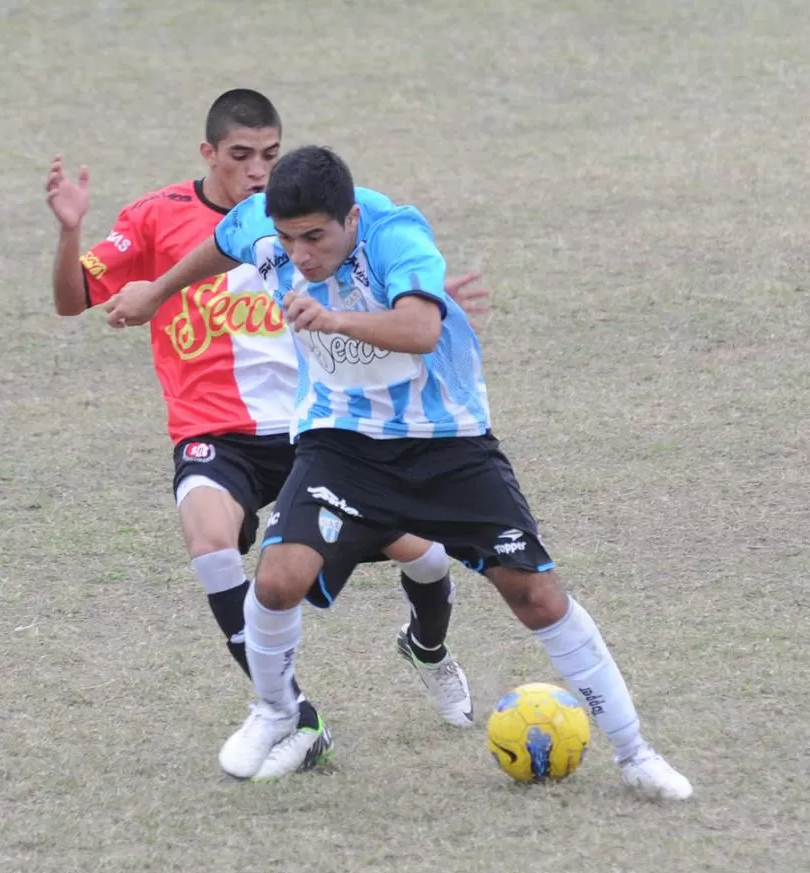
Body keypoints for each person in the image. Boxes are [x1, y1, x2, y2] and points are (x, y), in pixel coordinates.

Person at [104, 145, 695, 801]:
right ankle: (276, 712)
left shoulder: (397, 232)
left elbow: (419, 327)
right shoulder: (259, 225)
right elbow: (221, 240)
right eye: (288, 239)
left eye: (316, 237)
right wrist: (155, 292)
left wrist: (332, 318)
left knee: (537, 596)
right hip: (341, 443)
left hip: (447, 445)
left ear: (350, 218)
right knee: (276, 580)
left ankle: (636, 754)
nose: (301, 255)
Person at [46, 91, 484, 781]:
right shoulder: (159, 218)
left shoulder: (304, 226)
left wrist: (431, 301)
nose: (257, 170)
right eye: (242, 156)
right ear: (209, 154)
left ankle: (426, 646)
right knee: (210, 540)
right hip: (215, 435)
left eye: (270, 155)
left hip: (318, 431)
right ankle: (291, 712)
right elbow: (73, 297)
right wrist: (72, 231)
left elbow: (386, 295)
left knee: (428, 558)